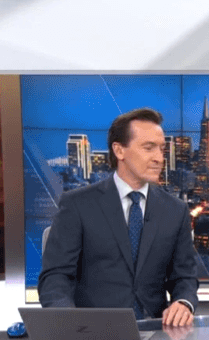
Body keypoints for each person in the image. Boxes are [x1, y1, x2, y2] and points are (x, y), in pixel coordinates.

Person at [38, 108, 197, 327]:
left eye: (162, 149)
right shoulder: (78, 204)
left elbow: (184, 277)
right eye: (149, 148)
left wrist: (184, 302)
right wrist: (69, 322)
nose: (159, 158)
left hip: (155, 331)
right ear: (119, 150)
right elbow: (56, 276)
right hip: (92, 333)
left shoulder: (176, 210)